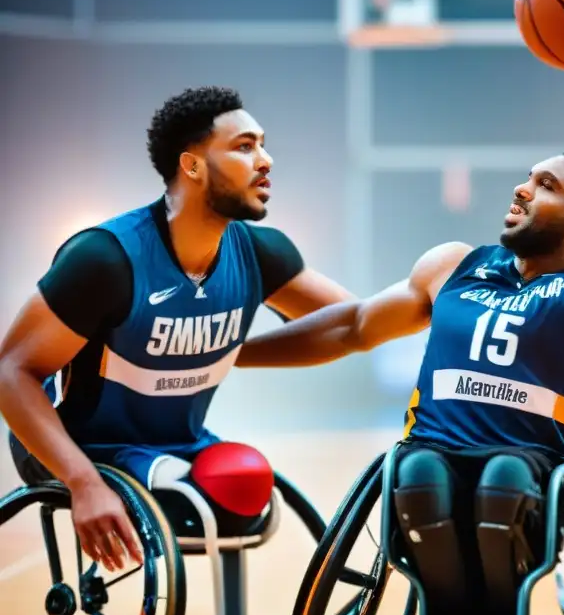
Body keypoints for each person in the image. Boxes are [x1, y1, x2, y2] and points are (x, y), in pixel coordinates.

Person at [235, 152, 564, 615]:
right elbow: (351, 326)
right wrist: (233, 355)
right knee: (419, 471)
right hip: (432, 450)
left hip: (533, 471)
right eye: (528, 178)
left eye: (546, 184)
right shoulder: (453, 266)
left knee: (503, 478)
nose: (522, 189)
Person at [0, 86, 355, 573]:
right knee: (208, 495)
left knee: (245, 480)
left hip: (174, 441)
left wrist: (442, 296)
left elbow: (347, 326)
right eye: (245, 146)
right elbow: (10, 371)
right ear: (191, 166)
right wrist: (84, 482)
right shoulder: (105, 259)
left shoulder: (260, 251)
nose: (266, 159)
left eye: (263, 144)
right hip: (78, 444)